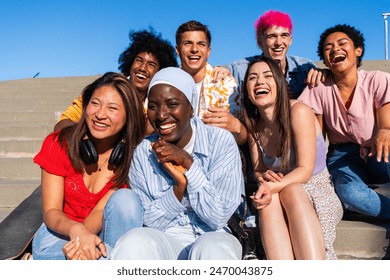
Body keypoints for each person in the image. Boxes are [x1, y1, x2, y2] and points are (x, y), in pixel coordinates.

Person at [110, 67, 244, 260]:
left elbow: (218, 217)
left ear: (191, 108)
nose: (162, 115)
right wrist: (178, 189)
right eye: (154, 106)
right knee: (135, 241)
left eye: (172, 104)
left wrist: (189, 165)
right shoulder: (143, 152)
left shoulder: (220, 142)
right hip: (167, 239)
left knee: (211, 248)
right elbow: (149, 222)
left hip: (215, 236)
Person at [32, 72, 146, 260]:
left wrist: (86, 243)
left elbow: (101, 212)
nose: (100, 114)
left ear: (128, 117)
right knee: (110, 259)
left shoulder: (132, 159)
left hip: (99, 236)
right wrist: (77, 231)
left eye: (112, 108)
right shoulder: (59, 143)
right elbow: (51, 211)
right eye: (95, 103)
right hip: (57, 234)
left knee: (127, 199)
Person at [243, 56, 343, 259]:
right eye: (253, 78)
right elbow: (258, 169)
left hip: (316, 190)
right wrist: (266, 179)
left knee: (290, 190)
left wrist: (273, 186)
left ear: (279, 83)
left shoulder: (299, 111)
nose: (260, 82)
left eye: (267, 76)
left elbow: (305, 171)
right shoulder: (254, 126)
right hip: (280, 192)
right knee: (269, 200)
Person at [298, 24, 390, 220]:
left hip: (378, 147)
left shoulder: (377, 80)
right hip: (343, 157)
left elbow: (386, 126)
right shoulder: (318, 88)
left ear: (358, 50)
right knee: (350, 192)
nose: (335, 49)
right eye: (328, 48)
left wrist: (384, 131)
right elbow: (316, 136)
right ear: (325, 60)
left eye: (342, 43)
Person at [54, 27, 178, 132]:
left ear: (159, 72)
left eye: (151, 65)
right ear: (130, 63)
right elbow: (61, 125)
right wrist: (86, 140)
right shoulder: (103, 89)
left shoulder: (156, 106)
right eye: (139, 60)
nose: (142, 68)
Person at [175, 20, 247, 145]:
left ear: (208, 51)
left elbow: (244, 139)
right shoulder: (166, 84)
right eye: (187, 43)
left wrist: (237, 127)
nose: (194, 49)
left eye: (201, 44)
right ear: (177, 49)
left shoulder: (226, 84)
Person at [227, 10, 324, 98]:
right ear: (260, 42)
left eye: (284, 35)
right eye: (272, 36)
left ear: (290, 40)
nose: (278, 42)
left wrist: (326, 74)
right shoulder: (239, 71)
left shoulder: (305, 68)